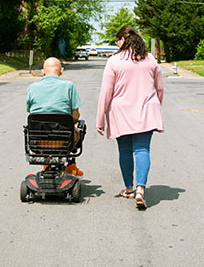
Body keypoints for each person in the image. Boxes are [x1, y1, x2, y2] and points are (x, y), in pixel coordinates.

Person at [95, 26, 163, 210]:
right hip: (147, 110)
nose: (116, 44)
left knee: (125, 150)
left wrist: (100, 118)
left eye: (117, 40)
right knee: (142, 149)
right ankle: (140, 189)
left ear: (122, 40)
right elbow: (159, 88)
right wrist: (157, 108)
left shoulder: (114, 61)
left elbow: (106, 92)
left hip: (121, 112)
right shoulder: (150, 59)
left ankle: (128, 189)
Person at [26, 56, 85, 176]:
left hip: (38, 140)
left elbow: (30, 111)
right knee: (80, 126)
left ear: (43, 72)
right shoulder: (69, 86)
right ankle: (71, 164)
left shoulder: (32, 87)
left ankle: (47, 164)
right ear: (61, 70)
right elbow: (76, 114)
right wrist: (75, 121)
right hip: (64, 141)